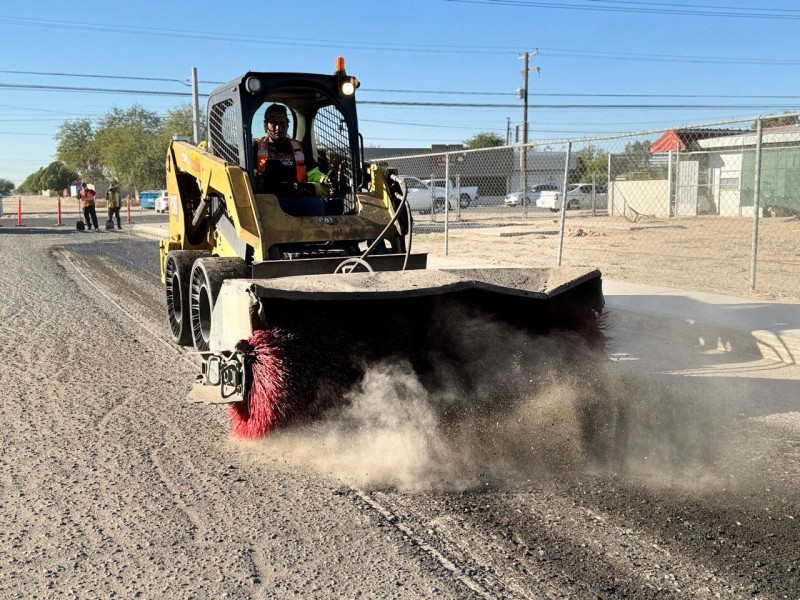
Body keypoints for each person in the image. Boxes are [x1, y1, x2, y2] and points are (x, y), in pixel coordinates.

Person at [253, 103, 328, 216]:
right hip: (267, 199)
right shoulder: (256, 147)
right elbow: (249, 173)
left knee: (317, 204)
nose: (278, 128)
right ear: (266, 126)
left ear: (287, 125)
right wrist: (255, 178)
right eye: (274, 123)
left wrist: (323, 179)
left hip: (296, 197)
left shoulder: (300, 148)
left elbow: (312, 173)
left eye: (282, 123)